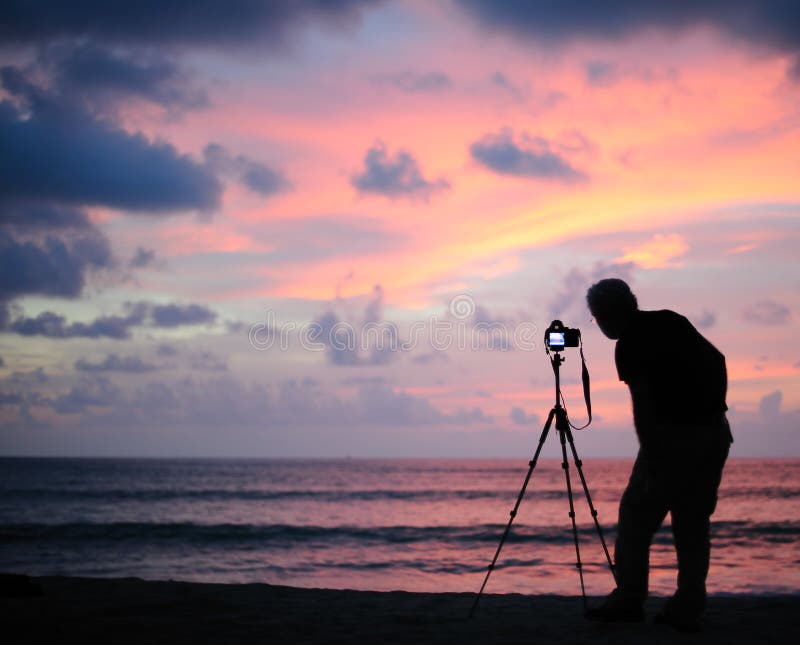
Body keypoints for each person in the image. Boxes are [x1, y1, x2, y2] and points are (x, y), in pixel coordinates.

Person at [583, 278, 733, 633]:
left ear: (607, 314)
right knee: (692, 525)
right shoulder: (670, 320)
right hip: (713, 433)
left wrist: (652, 457)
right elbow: (719, 360)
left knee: (635, 518)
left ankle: (630, 598)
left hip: (673, 438)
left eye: (598, 317)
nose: (600, 324)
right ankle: (688, 605)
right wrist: (713, 408)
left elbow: (644, 405)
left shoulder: (630, 343)